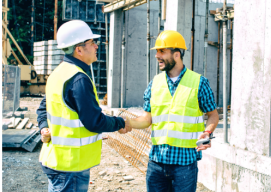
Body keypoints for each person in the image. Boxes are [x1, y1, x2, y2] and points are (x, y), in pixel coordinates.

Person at [36, 20, 131, 192]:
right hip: (71, 165)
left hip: (56, 160)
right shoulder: (78, 79)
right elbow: (94, 121)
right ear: (79, 50)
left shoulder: (58, 74)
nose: (96, 46)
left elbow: (43, 109)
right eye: (92, 42)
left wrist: (43, 127)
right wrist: (121, 122)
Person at [128, 30, 219, 192]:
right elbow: (146, 119)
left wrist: (207, 131)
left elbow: (212, 115)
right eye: (157, 51)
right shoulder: (154, 83)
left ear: (177, 54)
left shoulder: (199, 83)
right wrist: (125, 123)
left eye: (162, 51)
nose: (157, 55)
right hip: (157, 162)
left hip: (185, 164)